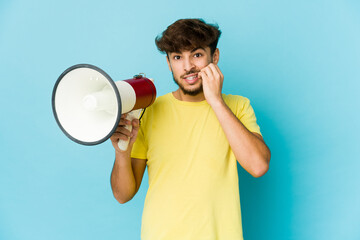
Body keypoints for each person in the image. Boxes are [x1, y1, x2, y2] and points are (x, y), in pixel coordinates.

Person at [110, 18, 271, 240]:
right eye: (177, 57)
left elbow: (258, 165)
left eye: (196, 55)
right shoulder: (149, 110)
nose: (187, 67)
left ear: (214, 57)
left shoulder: (238, 106)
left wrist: (215, 101)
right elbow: (122, 195)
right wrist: (121, 151)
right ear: (168, 63)